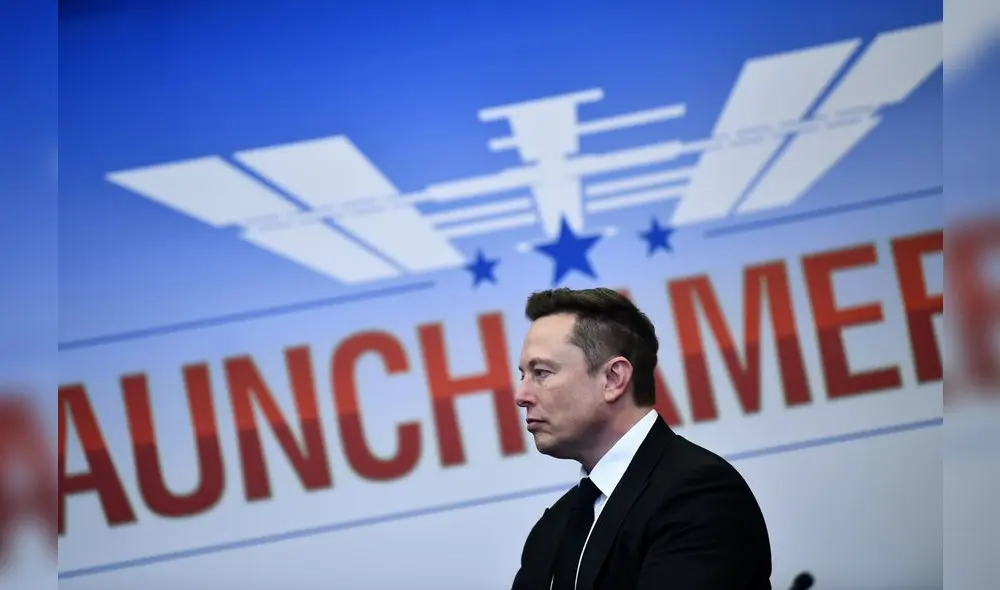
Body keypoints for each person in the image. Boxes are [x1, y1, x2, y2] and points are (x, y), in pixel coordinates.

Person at [510, 288, 771, 590]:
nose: (522, 396)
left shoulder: (698, 494)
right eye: (523, 376)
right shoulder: (553, 528)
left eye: (541, 373)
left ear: (613, 379)